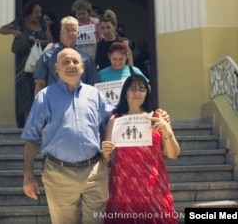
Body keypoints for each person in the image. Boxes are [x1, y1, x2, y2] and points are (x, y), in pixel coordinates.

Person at [22, 47, 115, 224]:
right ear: (56, 68)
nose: (71, 65)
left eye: (75, 62)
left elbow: (113, 117)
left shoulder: (95, 94)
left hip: (94, 172)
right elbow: (31, 137)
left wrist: (108, 142)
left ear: (83, 67)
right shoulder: (44, 97)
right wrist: (28, 174)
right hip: (58, 174)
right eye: (65, 62)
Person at [102, 74, 180, 224]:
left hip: (154, 184)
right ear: (125, 92)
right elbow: (106, 157)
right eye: (133, 89)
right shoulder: (115, 119)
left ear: (147, 93)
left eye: (142, 89)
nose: (137, 92)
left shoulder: (158, 117)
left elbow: (173, 154)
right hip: (124, 185)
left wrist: (167, 131)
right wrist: (105, 152)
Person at [0, 0, 53, 127]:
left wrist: (36, 40)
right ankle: (28, 124)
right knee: (24, 93)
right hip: (22, 65)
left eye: (40, 12)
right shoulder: (20, 22)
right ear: (29, 13)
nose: (39, 15)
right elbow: (2, 29)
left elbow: (50, 40)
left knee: (39, 91)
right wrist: (15, 32)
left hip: (38, 64)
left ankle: (39, 123)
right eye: (36, 12)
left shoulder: (43, 24)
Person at [34, 16, 99, 95]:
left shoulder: (86, 58)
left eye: (73, 30)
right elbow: (40, 84)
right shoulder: (47, 56)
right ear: (61, 33)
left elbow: (93, 86)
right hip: (54, 103)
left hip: (79, 103)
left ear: (78, 33)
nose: (70, 33)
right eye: (67, 30)